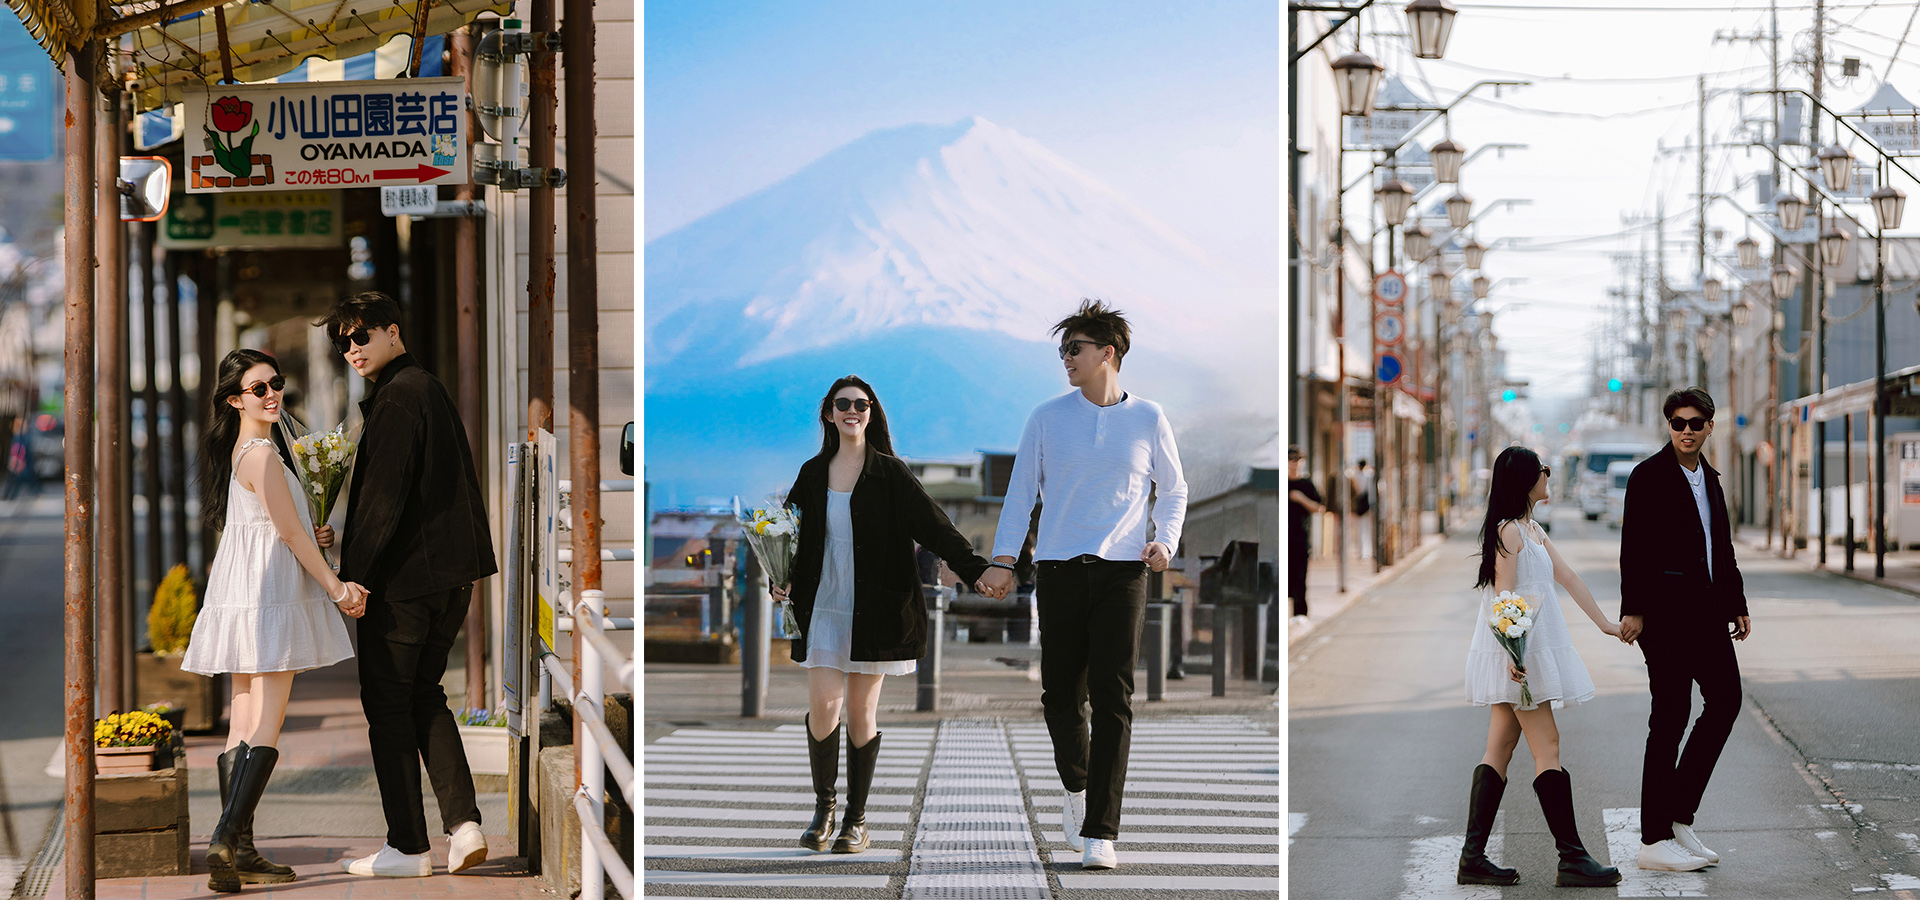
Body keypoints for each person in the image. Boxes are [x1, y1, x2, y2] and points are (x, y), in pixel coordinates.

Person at [977, 299, 1187, 871]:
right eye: (1062, 350)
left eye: (1074, 349)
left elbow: (1173, 490)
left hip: (1124, 570)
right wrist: (1003, 559)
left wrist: (1164, 541)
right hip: (1059, 569)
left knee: (1114, 698)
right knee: (1060, 696)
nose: (1066, 359)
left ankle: (1101, 830)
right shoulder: (1047, 417)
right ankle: (1078, 787)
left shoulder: (1149, 418)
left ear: (1108, 353)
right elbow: (1021, 493)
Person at [771, 376, 993, 854]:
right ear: (828, 413)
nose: (853, 410)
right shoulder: (812, 473)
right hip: (823, 604)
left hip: (876, 608)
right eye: (843, 404)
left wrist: (977, 571)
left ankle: (857, 819)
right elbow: (785, 533)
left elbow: (936, 526)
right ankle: (824, 808)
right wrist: (778, 573)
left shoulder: (891, 474)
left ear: (871, 413)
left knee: (859, 711)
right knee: (824, 706)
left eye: (862, 404)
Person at [319, 292, 498, 878]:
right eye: (342, 343)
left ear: (393, 331)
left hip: (405, 583)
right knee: (425, 695)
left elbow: (382, 502)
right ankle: (465, 825)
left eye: (360, 337)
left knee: (388, 705)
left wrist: (352, 581)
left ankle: (408, 846)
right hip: (453, 575)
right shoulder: (427, 387)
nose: (351, 350)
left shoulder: (397, 398)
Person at [181, 349, 367, 893]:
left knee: (241, 720)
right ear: (235, 400)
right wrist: (335, 586)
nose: (271, 395)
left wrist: (317, 533)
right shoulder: (262, 452)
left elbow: (282, 525)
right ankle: (226, 835)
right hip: (271, 592)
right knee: (267, 719)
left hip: (244, 590)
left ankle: (242, 850)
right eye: (258, 389)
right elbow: (286, 533)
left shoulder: (242, 451)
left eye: (275, 384)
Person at [1458, 445, 1623, 888]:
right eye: (1543, 470)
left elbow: (1568, 577)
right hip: (1520, 654)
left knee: (1499, 750)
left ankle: (1472, 859)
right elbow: (1504, 598)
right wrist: (1514, 655)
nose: (1548, 475)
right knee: (1547, 746)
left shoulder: (1532, 529)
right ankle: (1572, 858)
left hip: (1524, 650)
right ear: (1527, 480)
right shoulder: (1508, 531)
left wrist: (1606, 624)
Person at [1618, 387, 1750, 873]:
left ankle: (1677, 817)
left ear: (1710, 426)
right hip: (1667, 620)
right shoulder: (1647, 477)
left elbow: (1722, 548)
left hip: (1710, 616)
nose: (1687, 430)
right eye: (1678, 422)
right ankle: (1653, 838)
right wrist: (1634, 609)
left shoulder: (1710, 479)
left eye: (1696, 422)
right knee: (1670, 720)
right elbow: (1633, 548)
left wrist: (1736, 603)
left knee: (1726, 701)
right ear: (1667, 426)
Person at [1287, 447, 1324, 624]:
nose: (1294, 464)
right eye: (1290, 459)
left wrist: (1301, 499)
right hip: (1283, 539)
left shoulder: (1306, 484)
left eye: (1297, 460)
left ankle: (1300, 614)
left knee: (1300, 576)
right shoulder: (1281, 483)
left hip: (1300, 537)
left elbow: (1320, 508)